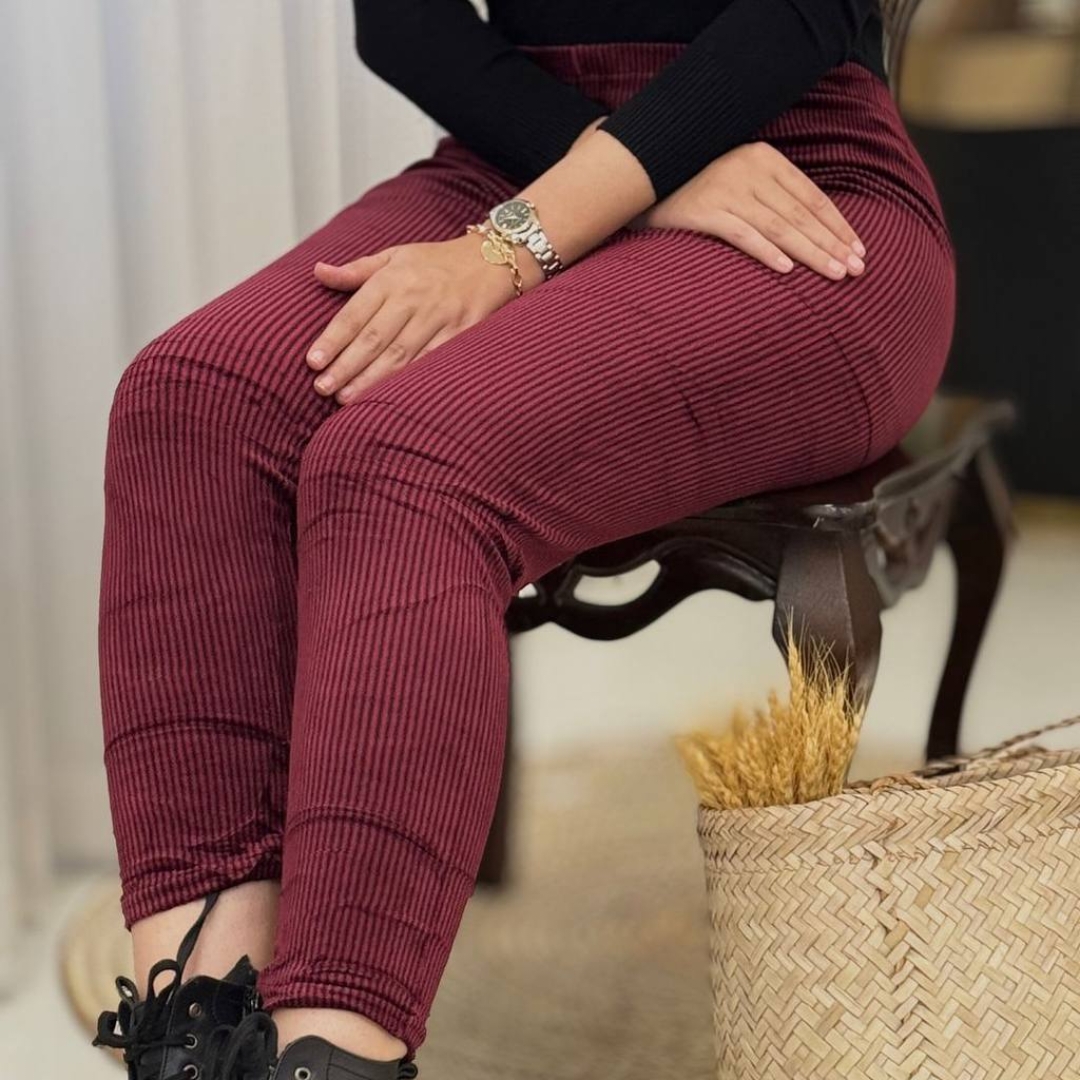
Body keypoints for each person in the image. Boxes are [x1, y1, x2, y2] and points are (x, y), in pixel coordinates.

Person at [90, 1, 956, 1078]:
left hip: (791, 173)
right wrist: (606, 178)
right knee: (193, 405)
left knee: (403, 461)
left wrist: (519, 245)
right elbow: (400, 23)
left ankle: (334, 1052)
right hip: (523, 140)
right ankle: (194, 1033)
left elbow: (801, 13)